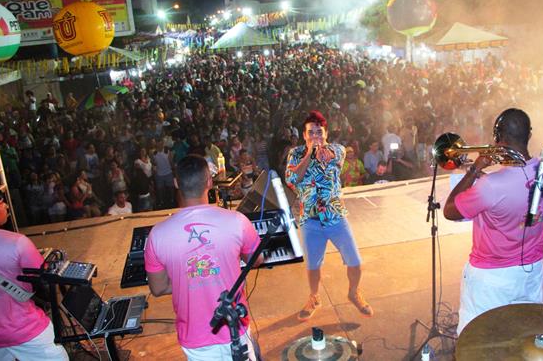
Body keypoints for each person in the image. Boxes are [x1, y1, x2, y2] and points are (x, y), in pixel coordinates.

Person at [443, 108, 543, 335]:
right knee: (523, 336)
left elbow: (450, 211)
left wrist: (475, 170)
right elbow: (515, 191)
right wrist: (484, 179)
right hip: (532, 271)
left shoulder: (491, 186)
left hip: (492, 278)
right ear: (529, 135)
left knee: (477, 339)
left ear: (498, 138)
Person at [144, 155, 262, 360]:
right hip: (236, 328)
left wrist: (190, 277)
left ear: (176, 183)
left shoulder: (157, 234)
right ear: (209, 182)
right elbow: (257, 260)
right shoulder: (237, 221)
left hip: (195, 339)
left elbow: (158, 288)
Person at [286, 110, 373, 321]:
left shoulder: (337, 149)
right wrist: (309, 154)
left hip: (335, 217)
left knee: (355, 261)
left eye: (319, 132)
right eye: (311, 132)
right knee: (313, 266)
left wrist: (321, 153)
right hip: (310, 220)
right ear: (304, 135)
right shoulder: (295, 154)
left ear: (326, 134)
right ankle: (314, 297)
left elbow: (333, 158)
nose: (315, 136)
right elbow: (292, 179)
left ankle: (354, 292)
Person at [0, 195, 69, 360]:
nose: (6, 206)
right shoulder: (17, 242)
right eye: (1, 202)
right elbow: (40, 276)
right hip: (21, 327)